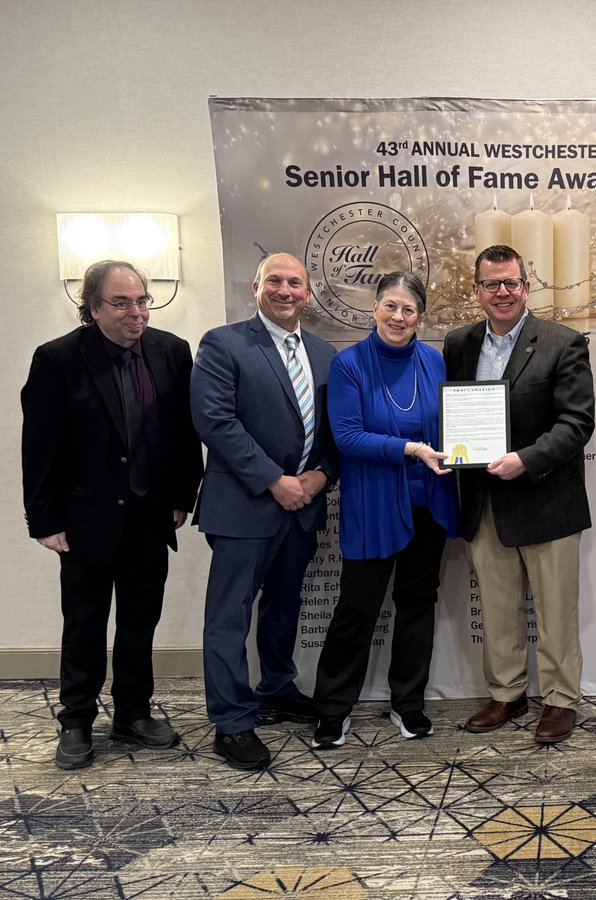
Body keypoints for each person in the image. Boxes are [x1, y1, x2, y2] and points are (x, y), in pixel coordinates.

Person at [21, 260, 202, 769]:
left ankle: (133, 714)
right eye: (121, 302)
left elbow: (184, 436)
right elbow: (38, 446)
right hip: (85, 521)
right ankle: (76, 720)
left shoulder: (171, 351)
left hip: (149, 518)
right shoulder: (57, 359)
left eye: (142, 300)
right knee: (84, 622)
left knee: (140, 622)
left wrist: (181, 496)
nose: (136, 312)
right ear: (93, 307)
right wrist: (44, 520)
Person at [191, 252, 339, 769]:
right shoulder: (223, 343)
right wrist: (274, 481)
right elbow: (215, 422)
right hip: (245, 507)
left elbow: (336, 429)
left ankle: (277, 687)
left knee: (284, 607)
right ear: (256, 287)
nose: (285, 290)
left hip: (302, 507)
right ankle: (231, 722)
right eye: (274, 280)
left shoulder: (324, 353)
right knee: (228, 616)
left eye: (294, 282)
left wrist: (321, 475)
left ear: (308, 293)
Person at [443, 245, 595, 744]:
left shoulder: (563, 342)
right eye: (492, 284)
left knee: (555, 610)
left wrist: (525, 460)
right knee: (497, 605)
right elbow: (456, 413)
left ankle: (559, 700)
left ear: (526, 287)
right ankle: (507, 694)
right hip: (484, 500)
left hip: (546, 498)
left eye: (511, 283)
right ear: (477, 291)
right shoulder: (459, 343)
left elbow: (576, 424)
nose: (502, 292)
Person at [309, 273, 458, 749]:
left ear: (420, 316)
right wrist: (412, 448)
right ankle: (333, 708)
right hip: (374, 506)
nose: (399, 317)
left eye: (409, 310)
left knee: (418, 606)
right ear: (374, 309)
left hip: (428, 507)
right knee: (357, 609)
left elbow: (453, 425)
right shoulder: (350, 364)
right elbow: (347, 437)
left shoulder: (434, 362)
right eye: (390, 306)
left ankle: (407, 703)